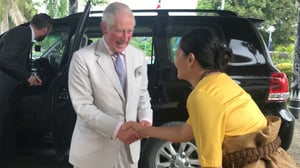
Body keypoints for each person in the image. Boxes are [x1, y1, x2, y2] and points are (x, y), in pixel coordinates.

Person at [124, 28, 298, 168]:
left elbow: (212, 164)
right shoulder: (218, 82)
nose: (174, 61)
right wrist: (143, 130)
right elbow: (184, 132)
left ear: (190, 59)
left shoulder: (203, 96)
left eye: (177, 54)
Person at [68, 2, 153, 168]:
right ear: (104, 28)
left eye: (130, 31)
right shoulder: (82, 58)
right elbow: (83, 107)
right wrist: (117, 130)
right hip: (94, 155)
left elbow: (143, 93)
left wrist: (145, 120)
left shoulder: (138, 56)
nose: (125, 37)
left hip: (129, 153)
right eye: (120, 30)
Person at [0, 13, 53, 166]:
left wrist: (28, 77)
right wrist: (27, 77)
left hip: (10, 89)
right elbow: (5, 59)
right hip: (3, 87)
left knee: (7, 124)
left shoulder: (23, 34)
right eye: (48, 32)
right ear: (45, 30)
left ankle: (7, 157)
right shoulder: (20, 34)